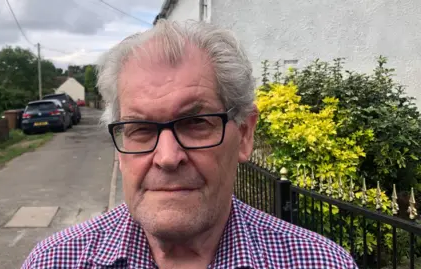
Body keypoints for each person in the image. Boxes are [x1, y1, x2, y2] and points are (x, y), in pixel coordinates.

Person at [21, 19, 358, 269]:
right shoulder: (54, 261)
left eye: (196, 123)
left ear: (244, 135)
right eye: (140, 128)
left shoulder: (320, 263)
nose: (167, 158)